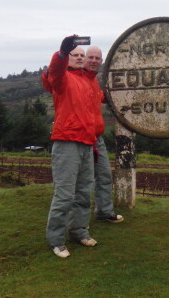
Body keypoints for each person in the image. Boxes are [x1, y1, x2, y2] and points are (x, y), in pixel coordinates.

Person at [44, 35, 99, 259]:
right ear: (68, 59)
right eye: (74, 55)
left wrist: (93, 144)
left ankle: (79, 231)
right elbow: (54, 73)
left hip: (87, 143)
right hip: (67, 142)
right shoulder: (62, 78)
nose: (79, 58)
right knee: (65, 195)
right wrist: (61, 53)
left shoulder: (88, 81)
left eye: (81, 55)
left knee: (84, 194)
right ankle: (56, 240)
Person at [84, 46, 124, 223]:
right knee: (83, 181)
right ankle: (79, 221)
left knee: (104, 176)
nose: (93, 61)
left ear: (101, 62)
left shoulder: (93, 81)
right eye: (90, 57)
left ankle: (104, 211)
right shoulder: (79, 78)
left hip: (96, 138)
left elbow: (98, 96)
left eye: (97, 58)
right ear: (85, 59)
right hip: (82, 138)